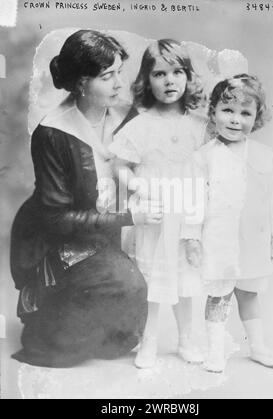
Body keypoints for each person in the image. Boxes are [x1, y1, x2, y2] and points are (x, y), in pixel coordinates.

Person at [10, 29, 159, 368]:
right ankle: (48, 318)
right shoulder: (52, 133)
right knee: (126, 285)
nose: (120, 83)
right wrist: (129, 218)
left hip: (110, 228)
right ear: (80, 83)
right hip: (60, 237)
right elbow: (57, 219)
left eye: (120, 71)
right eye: (108, 76)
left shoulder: (127, 115)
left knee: (124, 333)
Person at [109, 39, 207, 369]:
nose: (169, 81)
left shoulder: (199, 126)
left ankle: (186, 340)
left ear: (188, 77)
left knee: (186, 281)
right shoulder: (141, 124)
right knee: (151, 283)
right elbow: (119, 165)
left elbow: (209, 167)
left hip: (187, 216)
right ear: (146, 80)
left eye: (178, 72)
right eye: (160, 73)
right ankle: (147, 341)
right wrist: (137, 185)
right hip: (154, 215)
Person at [193, 74, 273, 373]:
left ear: (256, 118)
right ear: (213, 112)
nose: (235, 120)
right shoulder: (203, 158)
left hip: (252, 239)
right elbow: (193, 203)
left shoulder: (264, 155)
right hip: (219, 239)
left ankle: (257, 346)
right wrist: (191, 237)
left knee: (248, 292)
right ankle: (215, 352)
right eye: (228, 110)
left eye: (245, 113)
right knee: (219, 294)